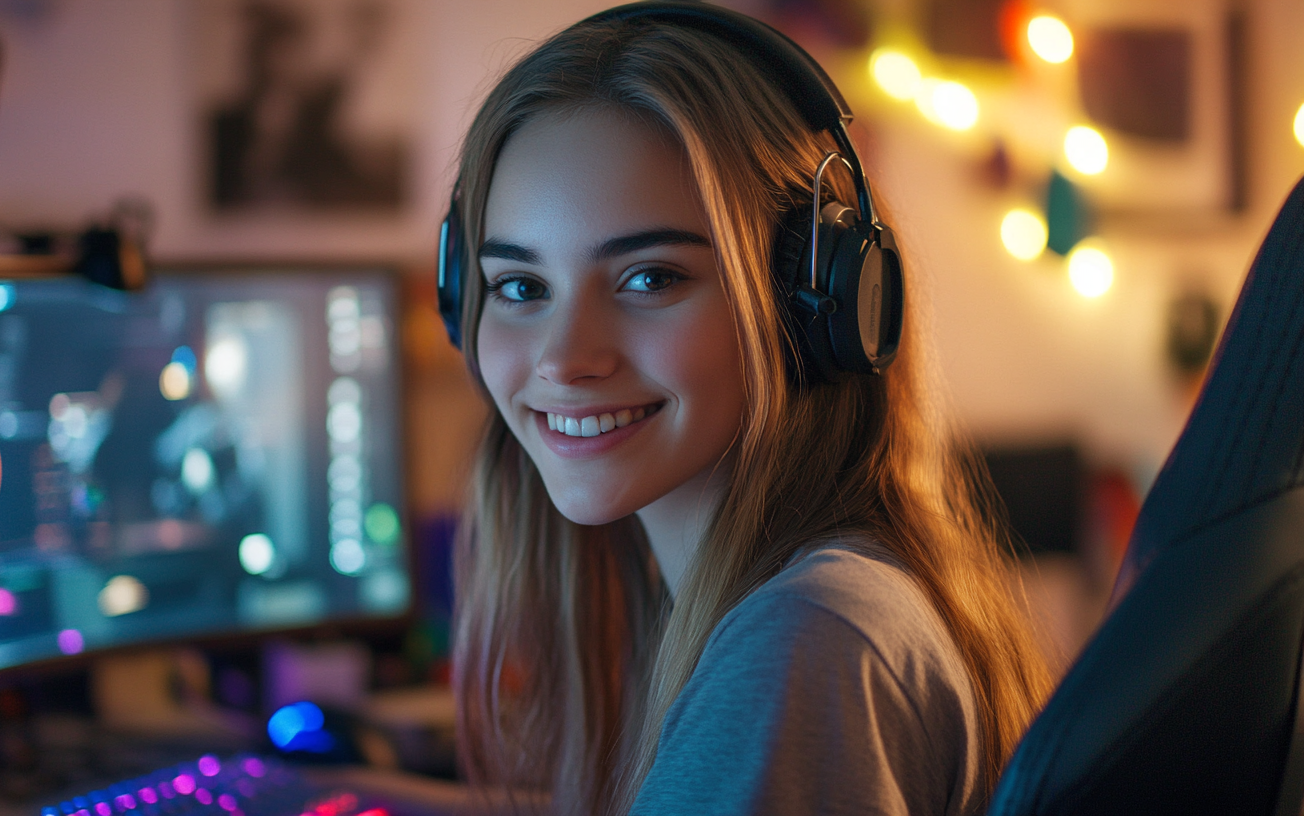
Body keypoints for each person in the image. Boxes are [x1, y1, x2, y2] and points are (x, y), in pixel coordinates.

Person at [438, 4, 1053, 814]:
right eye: (520, 287)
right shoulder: (770, 610)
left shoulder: (804, 640)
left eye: (650, 278)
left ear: (817, 304)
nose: (563, 358)